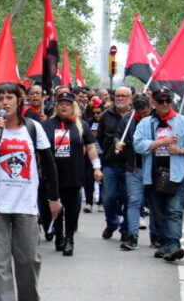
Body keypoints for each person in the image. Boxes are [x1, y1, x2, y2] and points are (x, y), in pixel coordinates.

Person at [0, 82, 60, 301]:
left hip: (25, 203)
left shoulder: (33, 128)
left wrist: (54, 198)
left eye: (9, 97)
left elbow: (49, 163)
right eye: (0, 98)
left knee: (28, 259)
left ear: (19, 101)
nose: (5, 102)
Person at [134, 87, 184, 262]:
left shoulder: (183, 122)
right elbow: (138, 145)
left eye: (167, 101)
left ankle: (173, 245)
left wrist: (181, 150)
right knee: (158, 213)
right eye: (161, 101)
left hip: (176, 175)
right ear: (154, 103)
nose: (164, 104)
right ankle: (164, 243)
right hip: (153, 175)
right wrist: (162, 142)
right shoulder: (146, 123)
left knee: (174, 211)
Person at [42, 92, 102, 256]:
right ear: (57, 106)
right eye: (61, 103)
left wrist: (96, 167)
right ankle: (59, 235)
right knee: (55, 207)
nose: (64, 106)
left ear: (73, 106)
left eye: (67, 104)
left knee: (71, 209)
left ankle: (69, 239)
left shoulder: (81, 125)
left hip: (73, 174)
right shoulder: (48, 125)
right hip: (53, 175)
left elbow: (91, 147)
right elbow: (40, 149)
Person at [115, 93, 152, 250]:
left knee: (154, 203)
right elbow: (118, 136)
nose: (143, 116)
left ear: (150, 107)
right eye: (140, 113)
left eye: (145, 112)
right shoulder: (127, 119)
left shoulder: (155, 119)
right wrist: (118, 143)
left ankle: (156, 237)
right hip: (134, 167)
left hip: (153, 167)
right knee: (134, 201)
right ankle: (132, 236)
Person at [97, 85, 132, 241]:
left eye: (124, 96)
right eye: (118, 95)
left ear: (130, 98)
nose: (120, 99)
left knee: (129, 198)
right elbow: (100, 136)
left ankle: (126, 229)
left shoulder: (135, 115)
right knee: (109, 197)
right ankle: (112, 223)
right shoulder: (106, 115)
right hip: (111, 163)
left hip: (130, 164)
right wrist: (109, 148)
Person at [82, 97, 104, 212]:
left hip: (103, 154)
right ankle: (89, 202)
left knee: (102, 180)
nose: (96, 115)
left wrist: (99, 135)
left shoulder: (105, 122)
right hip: (90, 155)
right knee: (89, 179)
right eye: (94, 113)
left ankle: (101, 202)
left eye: (98, 113)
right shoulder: (88, 123)